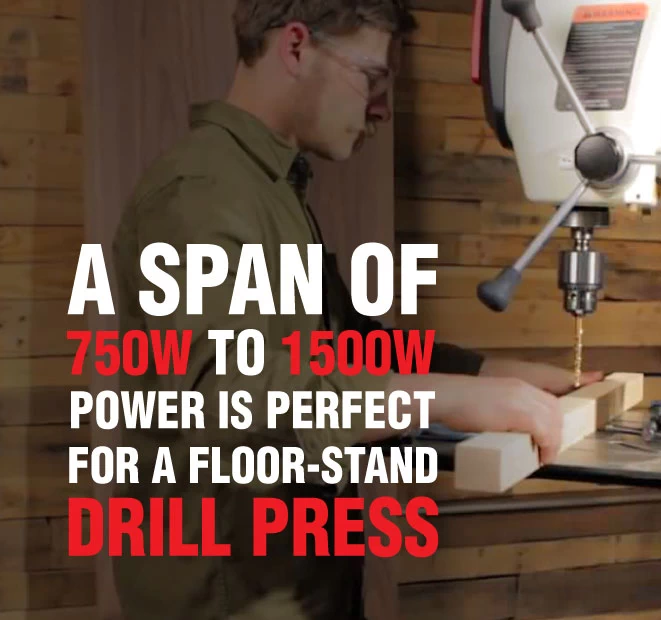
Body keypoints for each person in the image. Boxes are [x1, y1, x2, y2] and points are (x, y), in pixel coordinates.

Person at [110, 1, 602, 619]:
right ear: (295, 48)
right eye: (371, 77)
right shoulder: (201, 198)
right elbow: (229, 399)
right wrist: (442, 398)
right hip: (233, 597)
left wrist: (489, 375)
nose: (381, 108)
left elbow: (349, 347)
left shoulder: (268, 189)